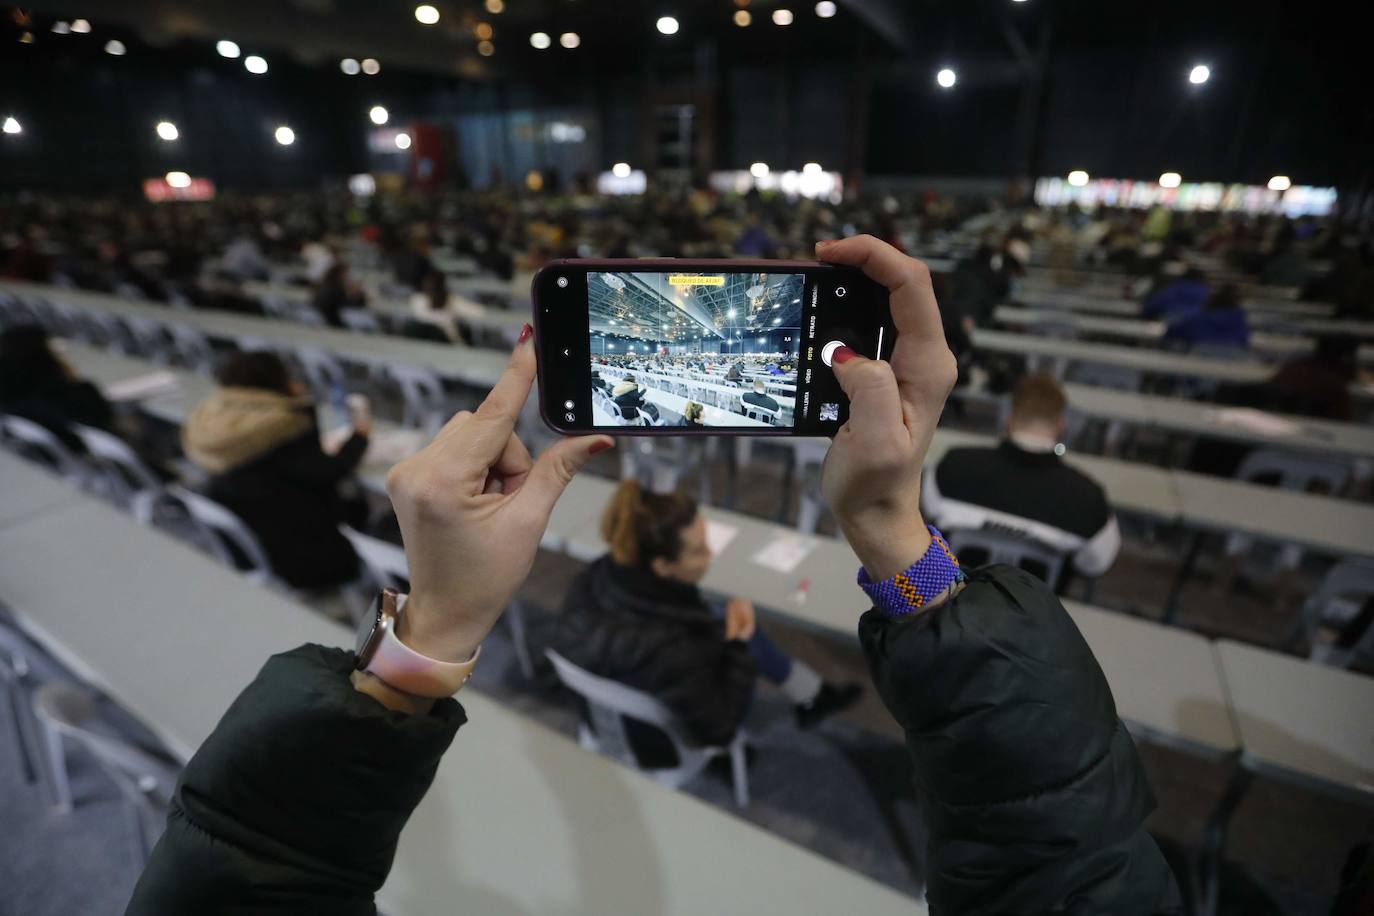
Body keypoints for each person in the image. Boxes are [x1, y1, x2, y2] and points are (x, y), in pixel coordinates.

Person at [127, 239, 1180, 915]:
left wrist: (438, 617)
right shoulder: (689, 624)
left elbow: (249, 874)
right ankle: (812, 688)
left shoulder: (586, 597)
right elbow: (1063, 868)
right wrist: (888, 526)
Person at [551, 482, 863, 759]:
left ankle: (811, 692)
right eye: (699, 551)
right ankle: (812, 694)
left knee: (722, 616)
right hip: (659, 742)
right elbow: (720, 729)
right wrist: (738, 646)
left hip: (599, 712)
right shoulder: (677, 648)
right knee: (741, 632)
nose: (711, 554)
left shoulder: (595, 578)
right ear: (662, 566)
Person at [181, 351, 370, 593]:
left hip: (251, 546)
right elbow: (330, 471)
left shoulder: (212, 422)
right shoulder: (281, 424)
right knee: (366, 507)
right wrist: (360, 436)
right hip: (307, 551)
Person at [922, 372, 1120, 589]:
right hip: (1035, 617)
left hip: (951, 605)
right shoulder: (1088, 498)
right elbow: (1096, 564)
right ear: (1061, 426)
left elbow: (929, 516)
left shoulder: (952, 466)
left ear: (1009, 419)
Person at [0, 324, 116, 453]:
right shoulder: (61, 397)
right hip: (86, 448)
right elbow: (105, 417)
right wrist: (71, 378)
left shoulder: (11, 398)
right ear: (43, 355)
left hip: (56, 457)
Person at [1163, 283, 1250, 349]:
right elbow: (1243, 343)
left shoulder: (1197, 320)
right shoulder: (1240, 325)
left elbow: (1171, 333)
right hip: (1231, 367)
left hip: (1195, 364)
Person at [312, 263, 367, 328]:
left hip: (328, 314)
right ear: (339, 274)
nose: (347, 277)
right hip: (328, 317)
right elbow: (343, 306)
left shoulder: (330, 285)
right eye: (346, 274)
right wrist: (357, 296)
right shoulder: (334, 288)